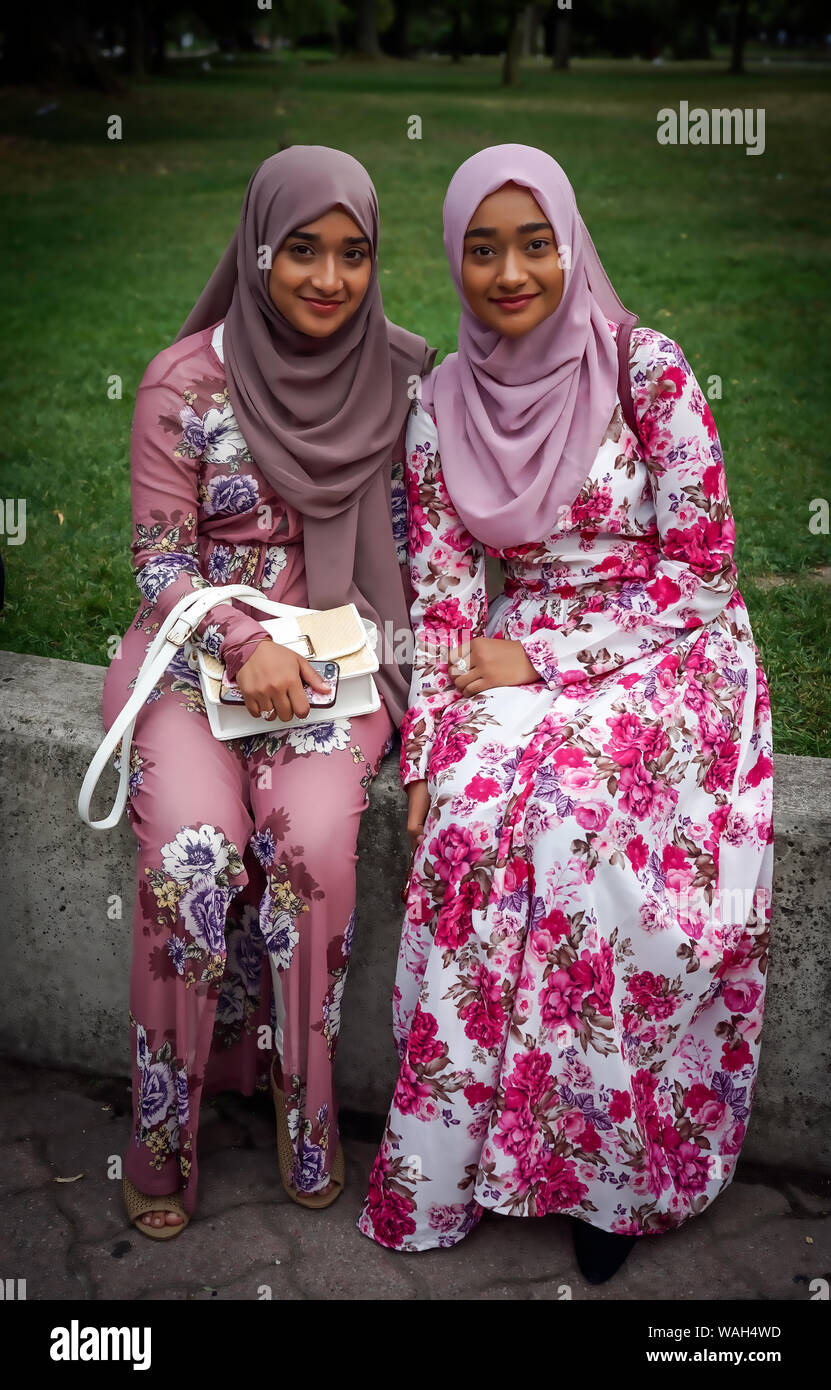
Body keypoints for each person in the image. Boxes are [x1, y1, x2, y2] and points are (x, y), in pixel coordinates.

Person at [356, 144, 774, 1284]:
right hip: (511, 666)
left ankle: (607, 1176)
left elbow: (704, 570)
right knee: (465, 830)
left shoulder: (649, 370)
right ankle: (453, 1166)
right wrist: (432, 747)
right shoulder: (440, 403)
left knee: (582, 825)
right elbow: (443, 602)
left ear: (571, 241)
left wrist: (539, 653)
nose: (510, 271)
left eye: (534, 242)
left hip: (670, 649)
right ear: (454, 256)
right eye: (482, 248)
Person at [101, 145, 435, 1237]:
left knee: (314, 846)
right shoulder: (184, 379)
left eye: (353, 254)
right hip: (195, 663)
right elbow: (158, 559)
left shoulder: (403, 375)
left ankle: (306, 1105)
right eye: (303, 251)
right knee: (194, 850)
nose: (329, 279)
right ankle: (162, 1138)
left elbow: (422, 548)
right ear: (259, 249)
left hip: (339, 668)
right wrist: (244, 638)